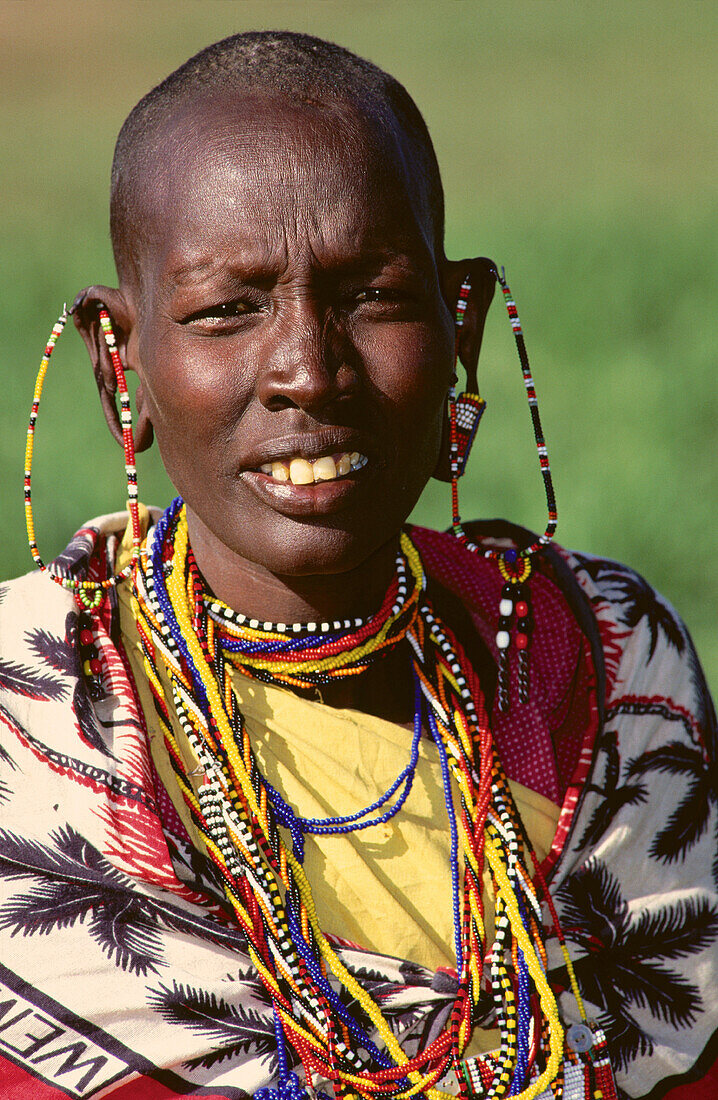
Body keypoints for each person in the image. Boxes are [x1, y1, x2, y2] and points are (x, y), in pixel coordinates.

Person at [0, 30, 715, 1100]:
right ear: (123, 368)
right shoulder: (33, 709)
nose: (307, 369)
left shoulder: (604, 665)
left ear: (458, 326)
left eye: (370, 294)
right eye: (227, 309)